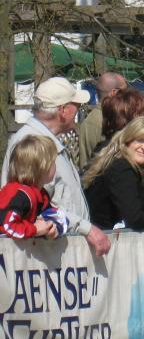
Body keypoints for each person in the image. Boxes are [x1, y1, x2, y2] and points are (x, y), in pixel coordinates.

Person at [2, 77, 110, 256]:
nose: (79, 109)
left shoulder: (46, 141)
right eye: (76, 105)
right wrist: (86, 228)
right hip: (40, 259)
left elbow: (47, 203)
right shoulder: (29, 144)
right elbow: (24, 207)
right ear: (63, 110)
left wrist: (84, 227)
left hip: (62, 256)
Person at [0, 135, 59, 240]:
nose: (56, 166)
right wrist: (35, 230)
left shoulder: (40, 194)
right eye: (53, 162)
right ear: (42, 167)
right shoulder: (20, 195)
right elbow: (7, 226)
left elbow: (54, 215)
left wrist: (53, 227)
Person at [78, 72, 127, 169]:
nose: (128, 95)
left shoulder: (89, 120)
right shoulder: (109, 121)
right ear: (114, 93)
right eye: (125, 91)